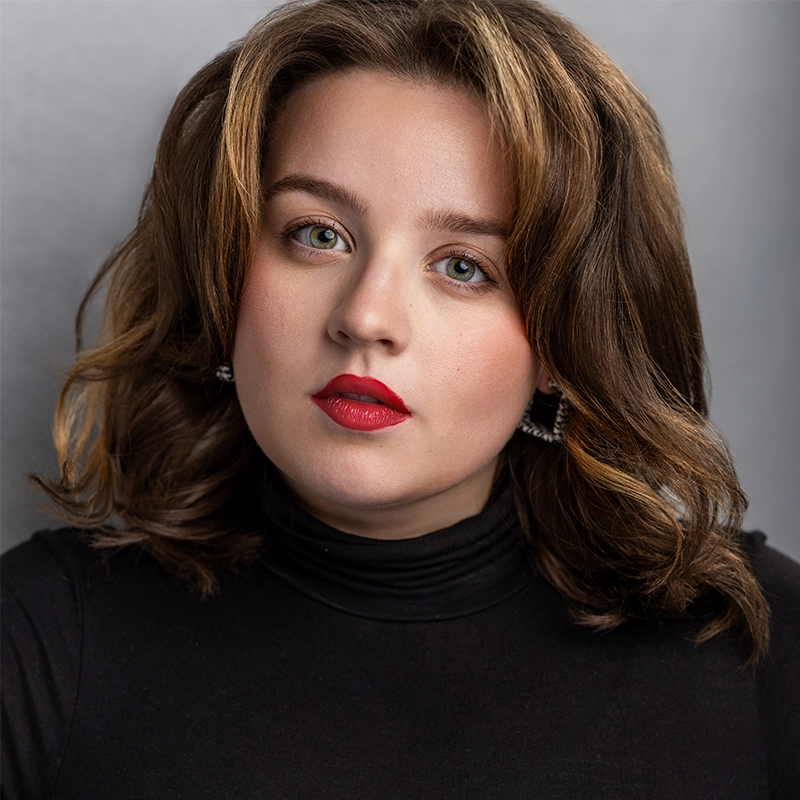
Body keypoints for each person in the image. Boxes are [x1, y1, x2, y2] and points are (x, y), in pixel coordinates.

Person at [2, 0, 798, 796]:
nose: (365, 318)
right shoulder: (38, 638)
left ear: (565, 347)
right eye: (318, 234)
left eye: (463, 267)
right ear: (224, 278)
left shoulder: (757, 645)